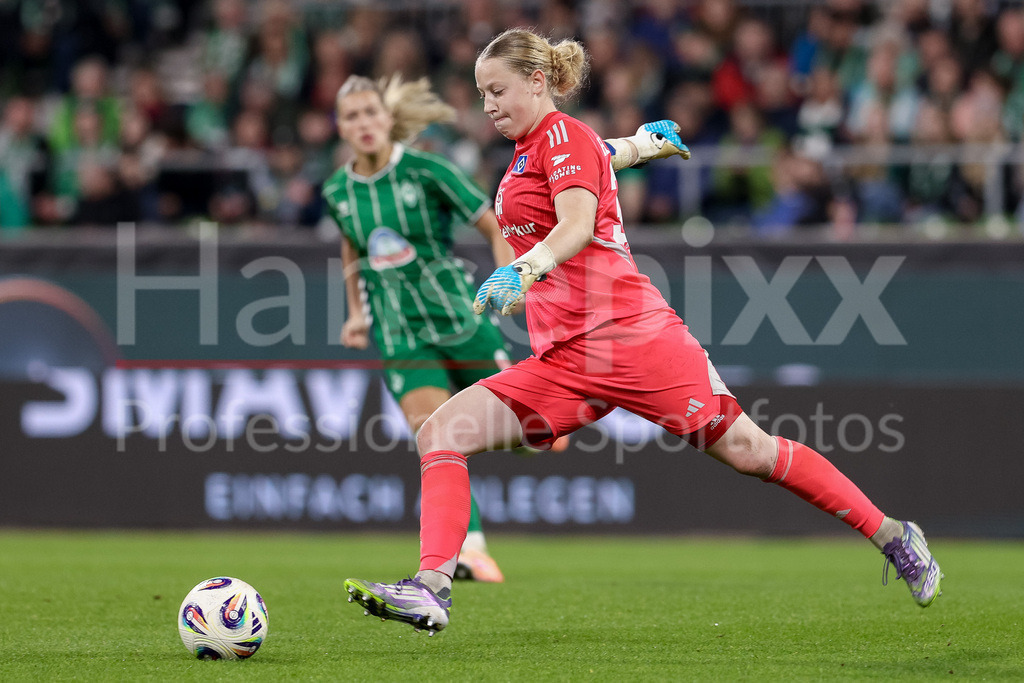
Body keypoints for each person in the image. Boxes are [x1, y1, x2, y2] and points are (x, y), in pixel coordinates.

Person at [343, 28, 944, 635]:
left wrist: (524, 269)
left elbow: (577, 221)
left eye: (497, 90)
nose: (488, 105)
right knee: (442, 431)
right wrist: (642, 144)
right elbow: (603, 154)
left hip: (633, 340)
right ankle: (432, 589)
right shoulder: (538, 149)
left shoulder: (561, 136)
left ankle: (894, 535)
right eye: (481, 95)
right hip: (565, 361)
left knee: (749, 451)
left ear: (537, 81)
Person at [323, 73, 687, 583]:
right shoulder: (337, 190)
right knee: (434, 431)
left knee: (527, 436)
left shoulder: (428, 170)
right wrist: (357, 312)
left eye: (370, 113)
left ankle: (546, 429)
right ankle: (470, 551)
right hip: (399, 331)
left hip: (460, 318)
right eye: (352, 116)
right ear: (339, 127)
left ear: (388, 120)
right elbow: (351, 246)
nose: (363, 124)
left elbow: (491, 222)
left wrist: (515, 277)